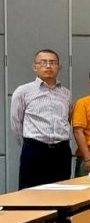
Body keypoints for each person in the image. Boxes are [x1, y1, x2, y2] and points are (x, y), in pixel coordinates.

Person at [11, 49, 73, 189]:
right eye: (43, 62)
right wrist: (29, 144)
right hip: (35, 150)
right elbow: (16, 122)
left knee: (62, 193)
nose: (48, 66)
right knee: (30, 194)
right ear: (35, 67)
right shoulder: (23, 91)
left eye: (53, 62)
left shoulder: (66, 93)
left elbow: (68, 118)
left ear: (59, 67)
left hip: (61, 151)